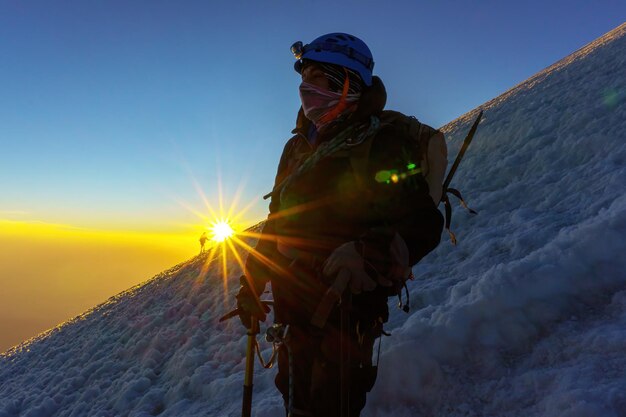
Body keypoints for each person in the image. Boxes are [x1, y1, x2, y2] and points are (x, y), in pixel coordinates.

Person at [236, 32, 447, 417]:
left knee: (334, 402)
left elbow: (422, 222)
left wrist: (368, 252)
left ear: (349, 85)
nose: (307, 92)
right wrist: (252, 283)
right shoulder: (298, 147)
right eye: (306, 82)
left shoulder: (381, 144)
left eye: (320, 82)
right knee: (294, 394)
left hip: (345, 315)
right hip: (293, 307)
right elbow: (278, 222)